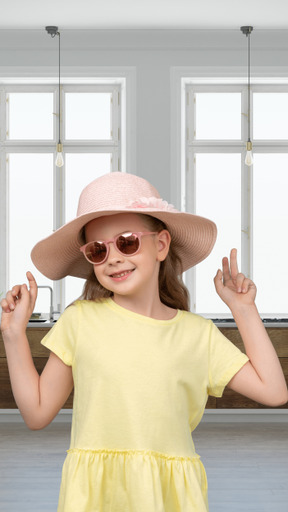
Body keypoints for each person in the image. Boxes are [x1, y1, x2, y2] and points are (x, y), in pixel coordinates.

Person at [1, 171, 287, 512]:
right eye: (97, 250)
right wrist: (13, 334)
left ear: (161, 245)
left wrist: (244, 310)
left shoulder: (197, 335)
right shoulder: (80, 321)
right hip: (94, 495)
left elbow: (274, 391)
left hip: (170, 497)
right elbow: (36, 413)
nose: (114, 257)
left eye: (126, 241)